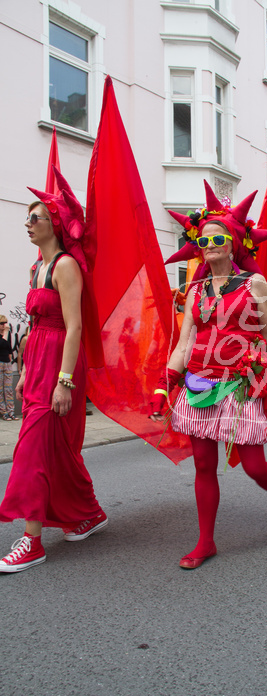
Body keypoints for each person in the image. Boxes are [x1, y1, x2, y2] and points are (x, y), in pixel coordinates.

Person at [149, 183, 267, 569]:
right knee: (202, 465)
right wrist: (165, 384)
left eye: (219, 237)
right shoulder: (194, 290)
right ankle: (205, 541)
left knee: (253, 466)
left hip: (242, 384)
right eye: (204, 237)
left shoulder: (254, 284)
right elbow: (183, 342)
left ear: (233, 244)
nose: (210, 243)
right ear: (197, 244)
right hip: (200, 383)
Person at [0, 173, 107, 573]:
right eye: (27, 217)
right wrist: (27, 368)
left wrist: (64, 381)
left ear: (54, 225)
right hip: (39, 359)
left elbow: (75, 326)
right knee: (57, 447)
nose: (28, 223)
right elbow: (31, 324)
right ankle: (90, 512)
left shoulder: (65, 266)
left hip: (62, 358)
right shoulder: (35, 267)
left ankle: (31, 541)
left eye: (36, 217)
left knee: (32, 448)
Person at [0, 315, 17, 421]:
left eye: (5, 323)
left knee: (8, 389)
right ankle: (4, 411)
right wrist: (5, 333)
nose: (4, 325)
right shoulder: (5, 334)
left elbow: (9, 348)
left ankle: (11, 411)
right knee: (0, 389)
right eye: (2, 323)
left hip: (7, 363)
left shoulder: (8, 334)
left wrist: (10, 360)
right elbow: (1, 345)